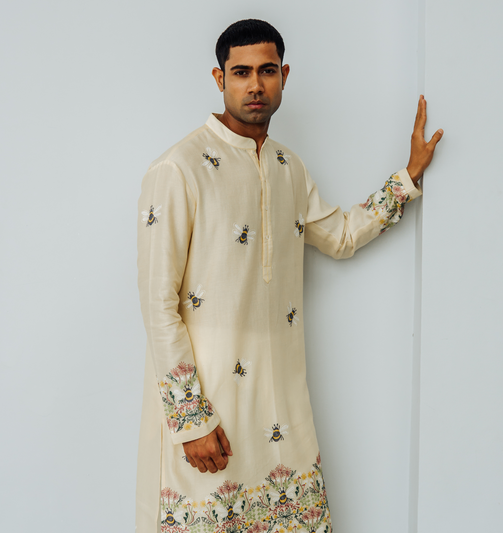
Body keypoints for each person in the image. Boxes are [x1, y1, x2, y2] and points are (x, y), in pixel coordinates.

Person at [135, 18, 443, 533]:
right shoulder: (178, 169)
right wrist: (191, 420)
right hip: (211, 412)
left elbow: (340, 236)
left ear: (284, 76)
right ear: (219, 78)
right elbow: (157, 303)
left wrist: (407, 177)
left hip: (280, 409)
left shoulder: (287, 167)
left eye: (267, 71)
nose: (255, 85)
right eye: (241, 72)